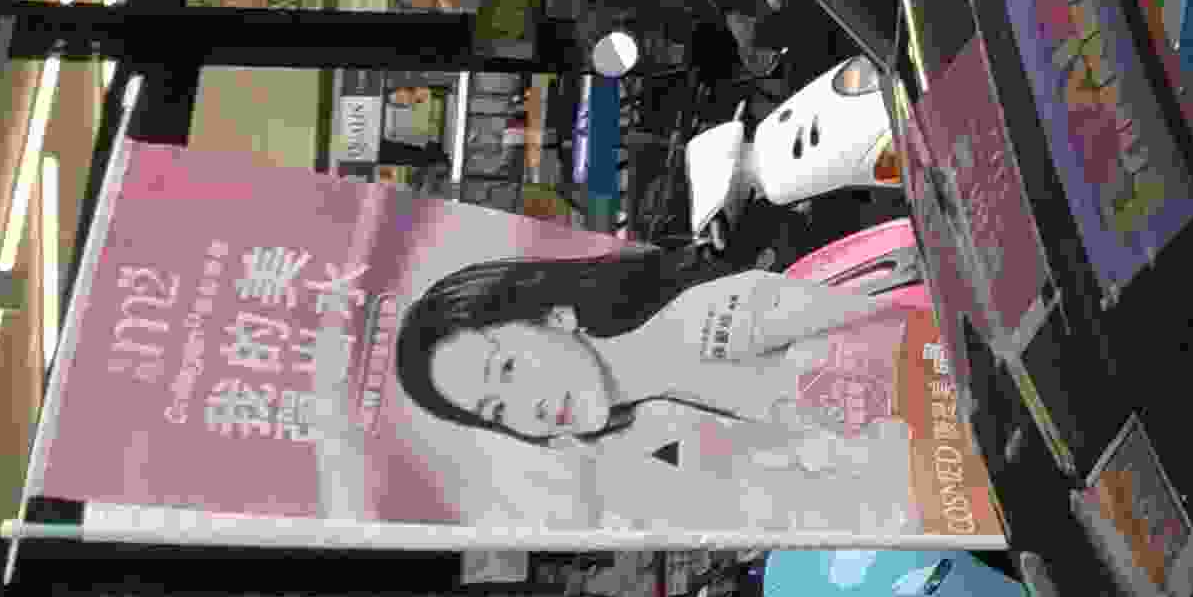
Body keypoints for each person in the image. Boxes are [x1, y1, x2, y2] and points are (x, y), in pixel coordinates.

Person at [389, 244, 920, 452]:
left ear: (556, 316)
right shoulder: (657, 436)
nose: (530, 407)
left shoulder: (717, 319)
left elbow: (916, 326)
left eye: (507, 368)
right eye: (498, 412)